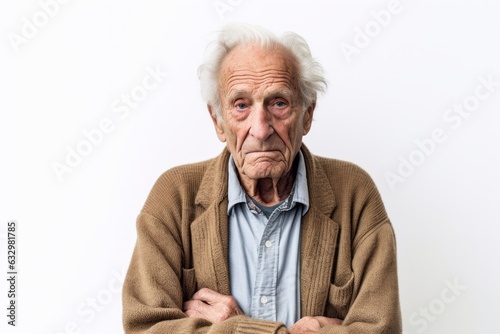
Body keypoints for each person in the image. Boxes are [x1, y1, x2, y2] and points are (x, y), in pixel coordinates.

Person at [122, 23, 402, 334]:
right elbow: (145, 328)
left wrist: (229, 328)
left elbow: (382, 329)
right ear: (218, 120)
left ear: (307, 114)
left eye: (279, 103)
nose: (261, 128)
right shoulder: (174, 197)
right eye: (241, 105)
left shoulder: (355, 194)